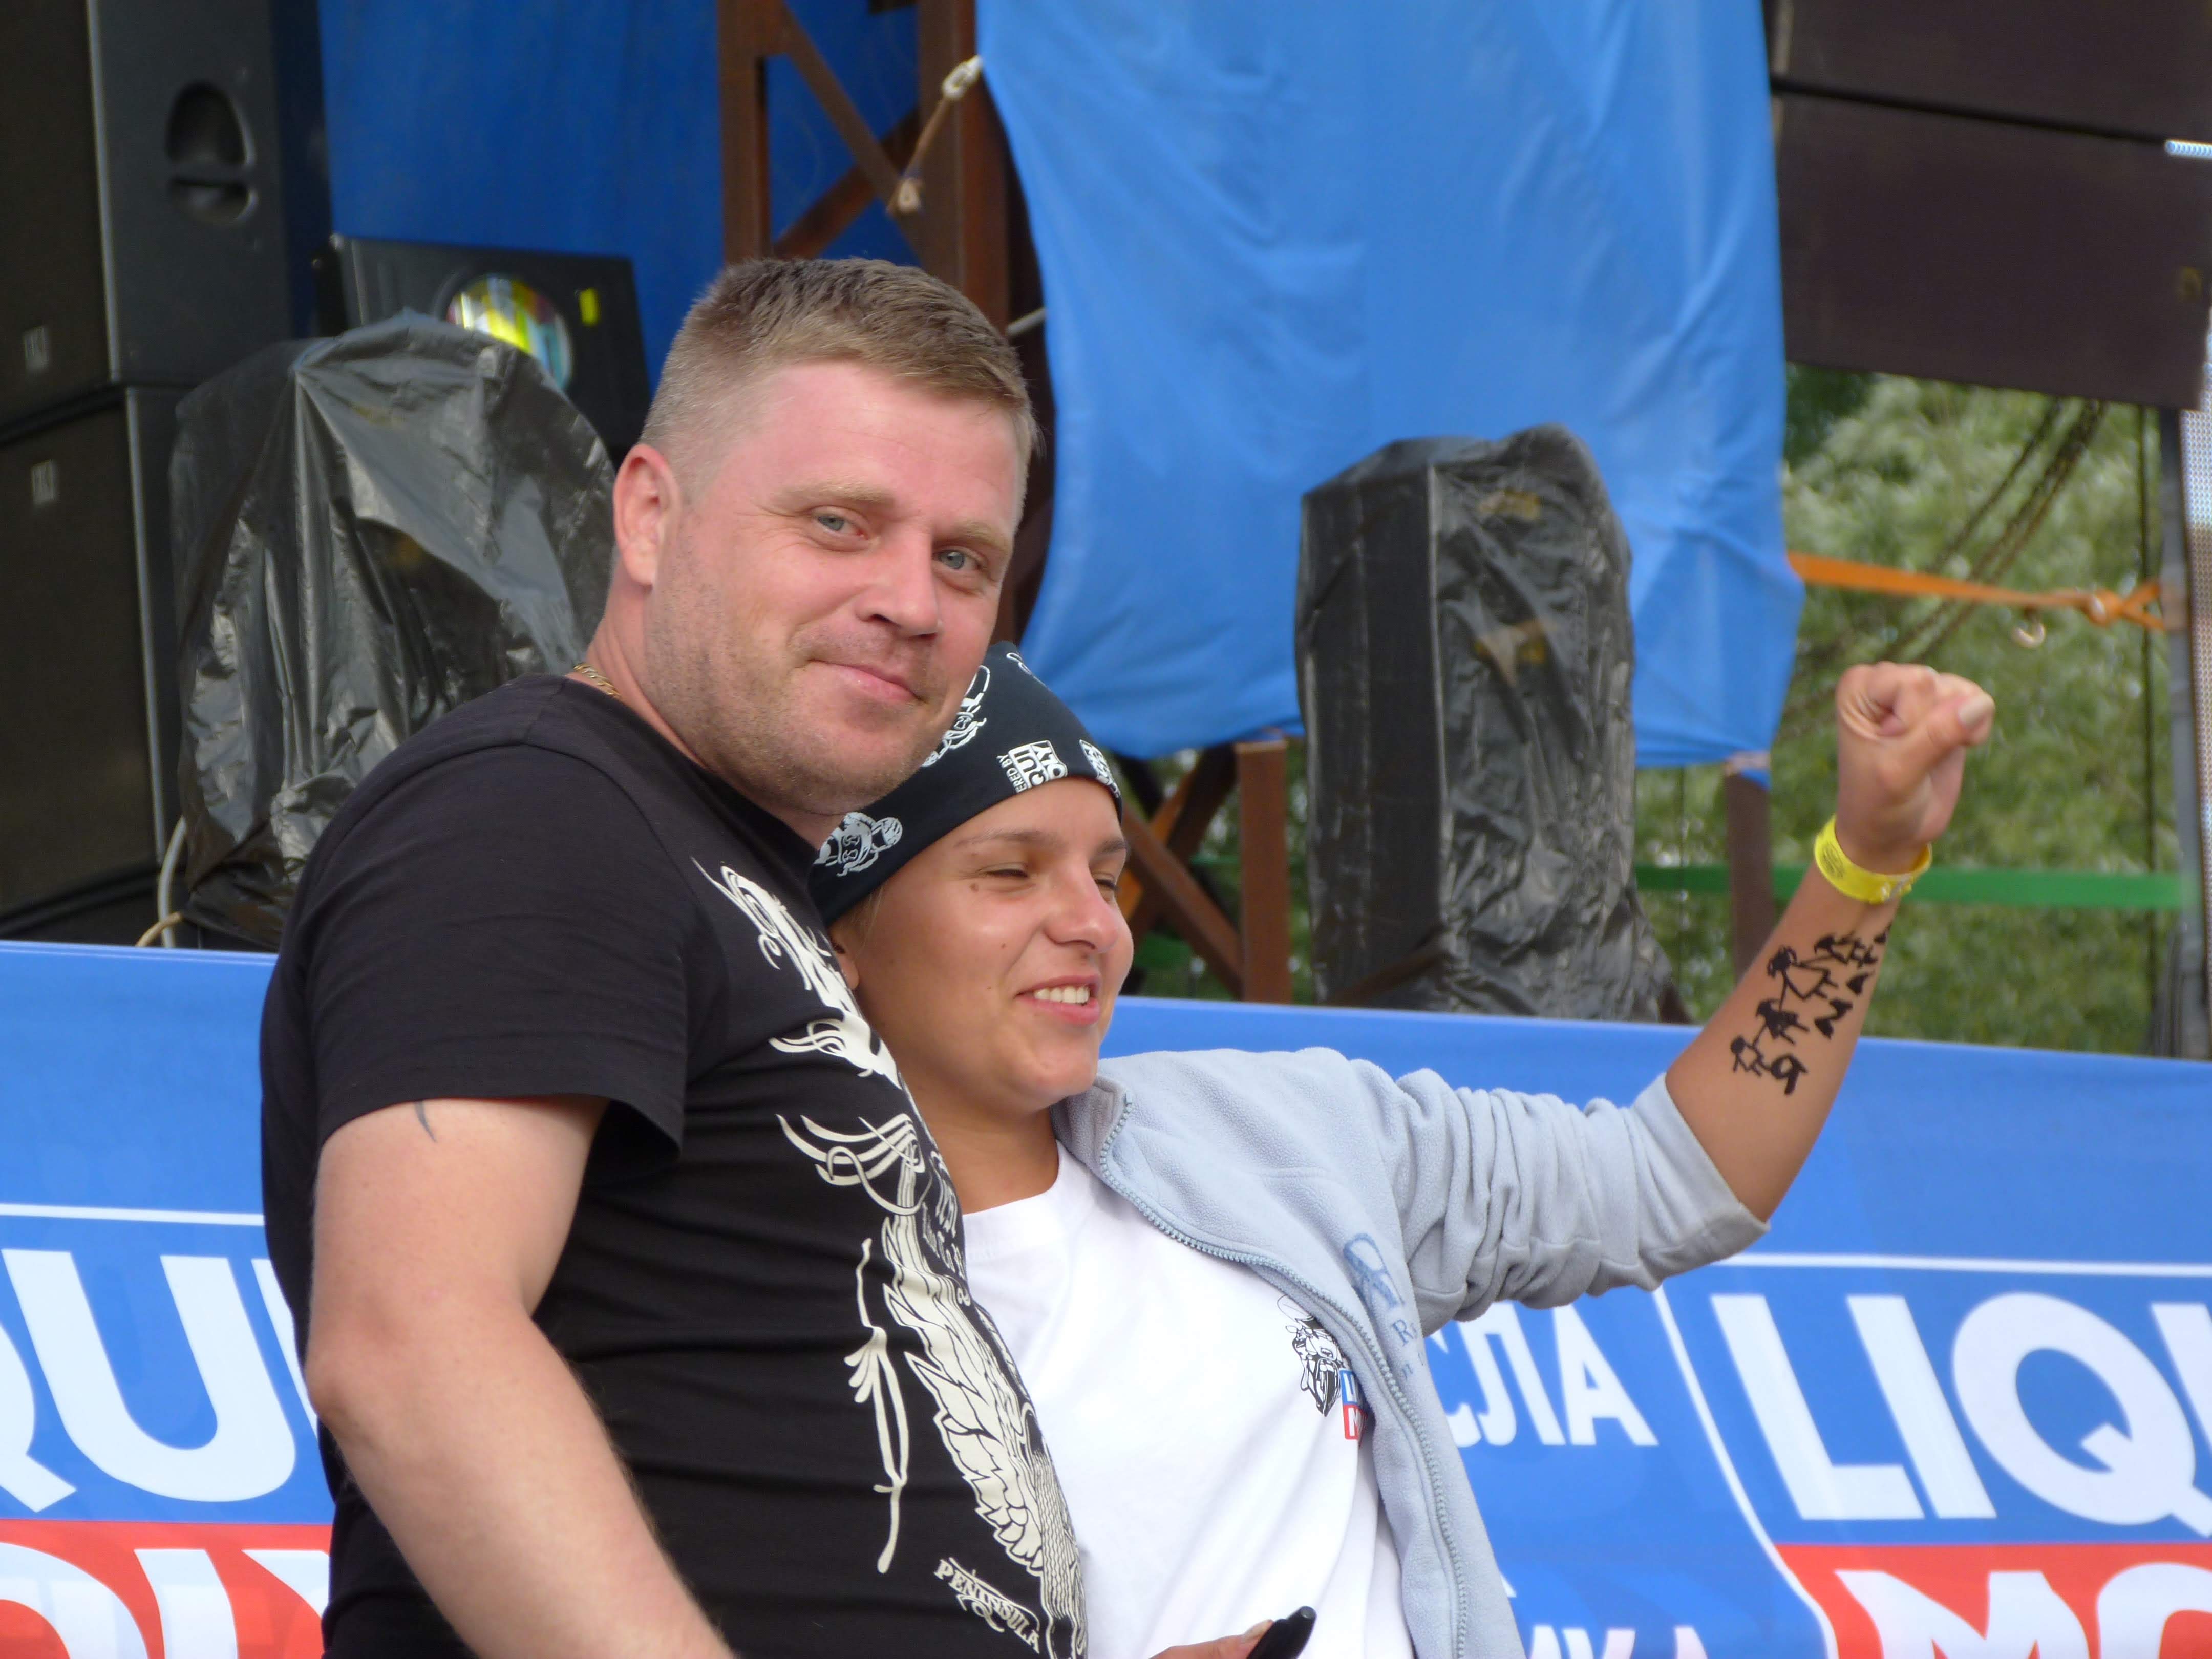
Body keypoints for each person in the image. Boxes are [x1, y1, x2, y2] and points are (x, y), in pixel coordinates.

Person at [812, 642, 1996, 1659]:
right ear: (838, 938)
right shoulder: (766, 1295)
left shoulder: (1286, 1134)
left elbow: (1676, 1177)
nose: (1093, 925)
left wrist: (1867, 861)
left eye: (1109, 876)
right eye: (1010, 872)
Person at [261, 259, 1099, 1659]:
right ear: (650, 514)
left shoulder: (716, 868)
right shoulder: (535, 807)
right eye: (839, 524)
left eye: (964, 558)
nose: (912, 600)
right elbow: (409, 1342)